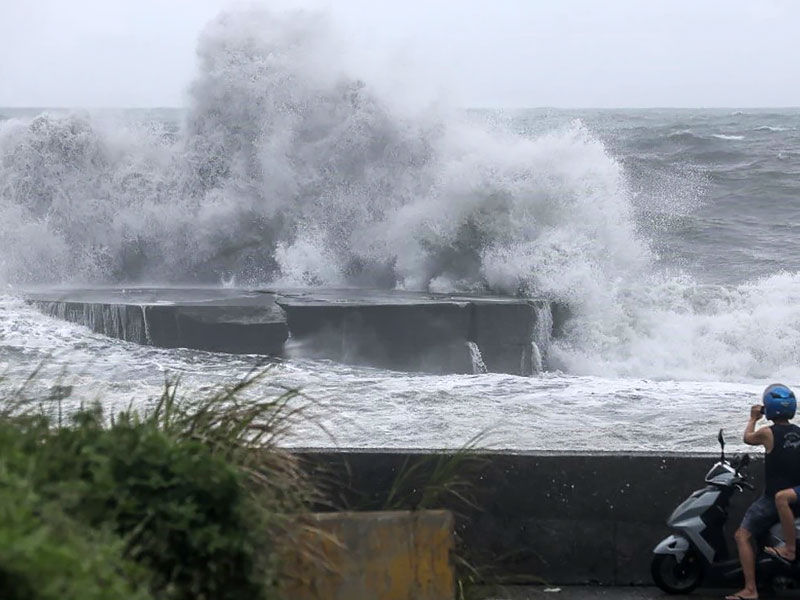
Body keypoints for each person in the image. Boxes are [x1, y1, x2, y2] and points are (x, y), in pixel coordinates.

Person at [726, 384, 800, 600]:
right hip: (796, 494)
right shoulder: (798, 432)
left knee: (742, 535)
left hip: (775, 498)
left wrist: (752, 418)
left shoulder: (767, 433)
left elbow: (747, 438)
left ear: (769, 408)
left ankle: (750, 589)